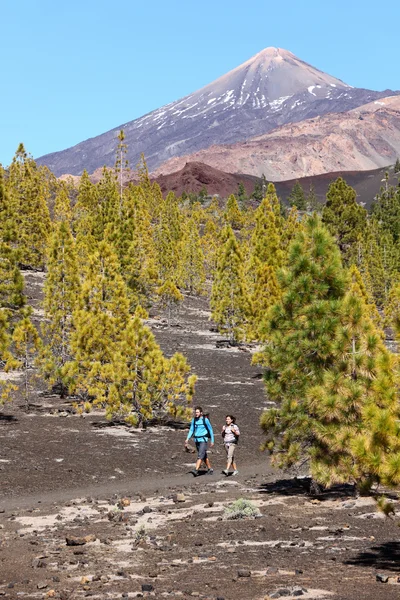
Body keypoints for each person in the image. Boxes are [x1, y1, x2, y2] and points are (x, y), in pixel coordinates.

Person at [185, 406, 214, 476]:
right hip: (197, 440)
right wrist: (187, 438)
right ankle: (210, 469)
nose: (196, 413)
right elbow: (191, 429)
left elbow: (210, 430)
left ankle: (196, 470)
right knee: (204, 455)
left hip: (203, 440)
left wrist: (212, 440)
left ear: (201, 413)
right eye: (195, 412)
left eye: (197, 412)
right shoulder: (194, 420)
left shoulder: (205, 420)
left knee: (200, 455)